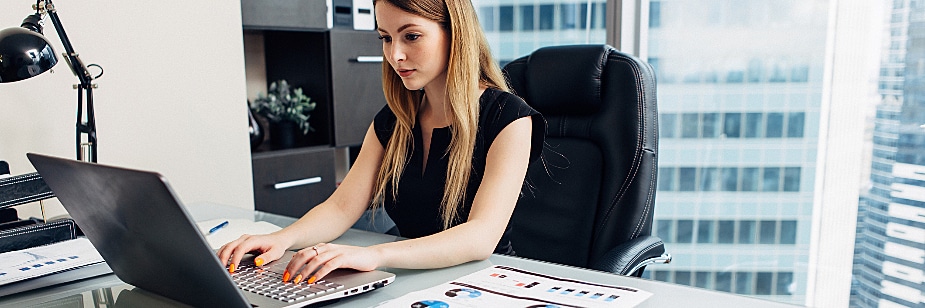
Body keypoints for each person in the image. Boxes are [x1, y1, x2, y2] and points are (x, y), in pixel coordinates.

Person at [217, 0, 545, 285]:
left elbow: (480, 238)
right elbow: (341, 207)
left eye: (411, 36)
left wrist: (373, 255)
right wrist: (279, 239)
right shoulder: (395, 120)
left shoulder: (510, 119)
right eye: (385, 38)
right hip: (408, 276)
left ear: (455, 32)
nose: (394, 54)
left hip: (481, 282)